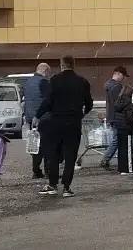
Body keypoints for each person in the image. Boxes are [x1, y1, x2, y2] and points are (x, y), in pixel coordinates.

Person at [36, 56, 93, 197]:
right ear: (73, 65)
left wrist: (38, 115)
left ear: (62, 65)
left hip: (56, 122)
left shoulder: (54, 80)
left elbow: (48, 101)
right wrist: (82, 114)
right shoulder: (82, 82)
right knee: (70, 155)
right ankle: (67, 187)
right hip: (73, 123)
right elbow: (89, 103)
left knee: (53, 154)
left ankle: (53, 184)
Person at [23, 63, 51, 179]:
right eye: (48, 73)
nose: (49, 75)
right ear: (45, 71)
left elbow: (26, 100)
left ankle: (36, 170)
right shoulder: (43, 82)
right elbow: (48, 100)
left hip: (31, 118)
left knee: (35, 144)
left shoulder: (28, 82)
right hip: (43, 117)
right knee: (47, 145)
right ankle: (48, 171)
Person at [100, 66, 129, 171]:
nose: (123, 79)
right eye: (123, 76)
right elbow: (120, 103)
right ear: (119, 74)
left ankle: (106, 159)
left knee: (115, 139)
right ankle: (105, 159)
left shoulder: (108, 84)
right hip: (117, 116)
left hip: (111, 115)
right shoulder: (117, 87)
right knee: (116, 140)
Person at [113, 86, 133, 175]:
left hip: (119, 127)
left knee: (121, 149)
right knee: (128, 149)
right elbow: (130, 118)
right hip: (127, 128)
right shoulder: (129, 104)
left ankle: (121, 168)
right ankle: (128, 169)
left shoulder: (117, 102)